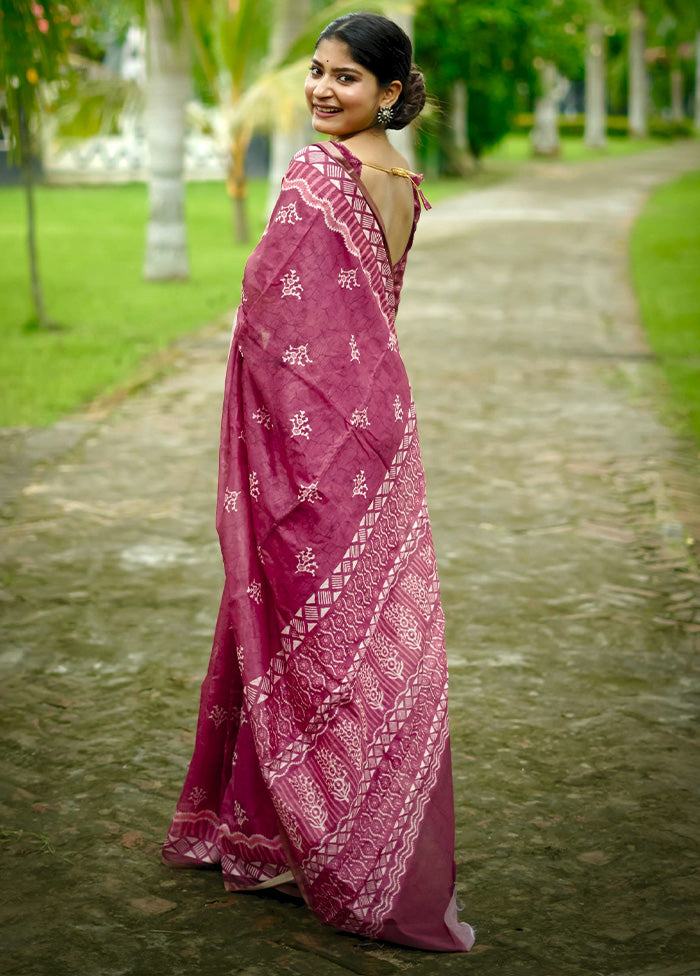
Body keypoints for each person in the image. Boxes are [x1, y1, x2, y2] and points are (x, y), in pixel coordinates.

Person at [162, 12, 475, 953]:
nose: (322, 90)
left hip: (316, 445)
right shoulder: (401, 182)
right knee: (348, 629)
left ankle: (321, 841)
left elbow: (267, 316)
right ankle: (304, 828)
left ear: (389, 91)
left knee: (298, 624)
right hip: (378, 431)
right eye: (316, 72)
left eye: (346, 79)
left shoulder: (315, 174)